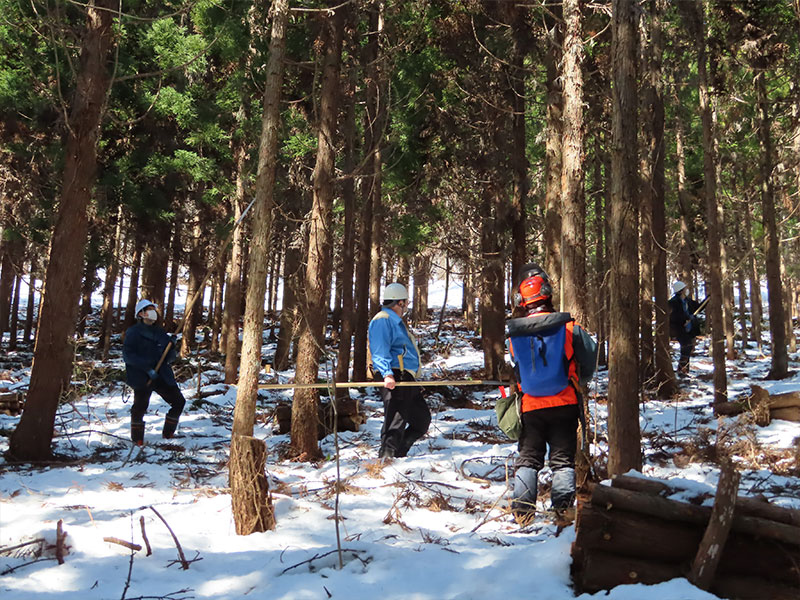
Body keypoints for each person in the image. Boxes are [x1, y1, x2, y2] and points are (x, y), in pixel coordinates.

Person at [506, 263, 598, 523]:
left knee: (528, 458)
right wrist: (582, 381)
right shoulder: (569, 328)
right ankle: (564, 512)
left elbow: (516, 367)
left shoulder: (514, 335)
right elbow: (590, 358)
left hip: (531, 406)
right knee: (562, 460)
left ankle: (522, 513)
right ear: (547, 292)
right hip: (565, 402)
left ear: (522, 300)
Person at [368, 282, 431, 459]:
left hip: (406, 376)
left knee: (421, 419)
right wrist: (387, 374)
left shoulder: (394, 321)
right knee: (396, 417)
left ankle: (399, 451)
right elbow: (380, 348)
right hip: (395, 374)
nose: (406, 307)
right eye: (405, 303)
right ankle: (387, 456)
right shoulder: (383, 319)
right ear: (400, 303)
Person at [123, 299, 186, 446]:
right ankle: (137, 438)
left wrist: (171, 347)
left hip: (162, 375)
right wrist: (146, 368)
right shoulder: (133, 332)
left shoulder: (159, 332)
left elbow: (168, 356)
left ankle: (168, 432)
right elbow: (128, 356)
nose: (152, 312)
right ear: (141, 314)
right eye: (148, 309)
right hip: (142, 376)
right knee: (140, 406)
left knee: (178, 402)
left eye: (153, 309)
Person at [668, 281, 701, 375]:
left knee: (689, 348)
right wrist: (686, 318)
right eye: (685, 289)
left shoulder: (688, 301)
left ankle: (685, 369)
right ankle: (682, 369)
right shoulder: (672, 302)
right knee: (686, 347)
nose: (686, 290)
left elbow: (698, 307)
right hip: (679, 329)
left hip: (689, 330)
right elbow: (673, 317)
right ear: (681, 291)